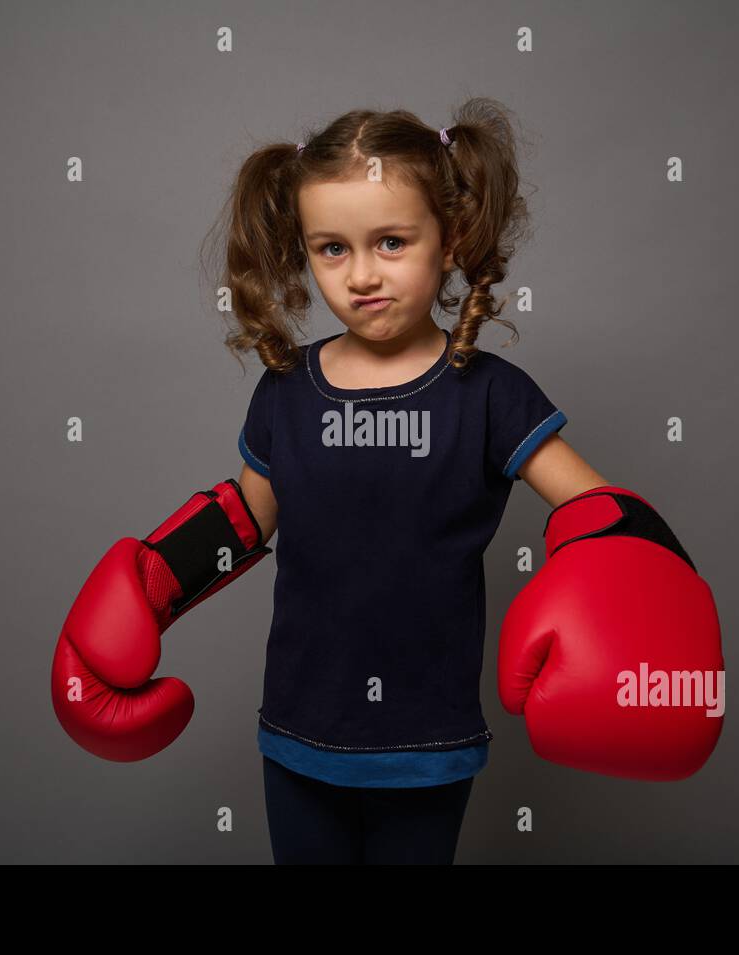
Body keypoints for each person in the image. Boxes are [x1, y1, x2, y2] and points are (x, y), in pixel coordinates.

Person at [204, 98, 612, 864]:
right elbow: (243, 521)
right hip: (298, 728)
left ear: (450, 239)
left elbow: (599, 511)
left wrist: (645, 581)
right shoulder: (287, 390)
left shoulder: (489, 393)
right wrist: (147, 580)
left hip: (427, 739)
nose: (361, 275)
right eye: (331, 248)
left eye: (391, 241)